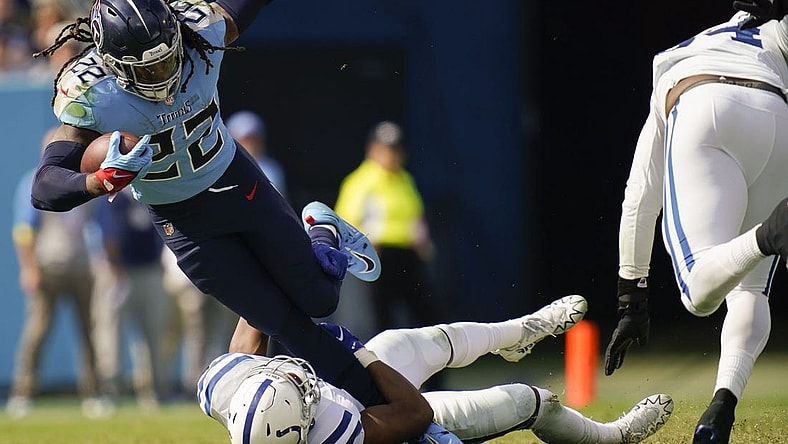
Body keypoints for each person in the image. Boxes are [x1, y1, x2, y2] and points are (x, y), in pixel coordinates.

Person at [29, 0, 393, 429]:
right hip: (184, 223)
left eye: (169, 59)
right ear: (113, 63)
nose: (163, 76)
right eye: (146, 70)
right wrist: (99, 181)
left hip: (240, 185)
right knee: (286, 324)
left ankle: (323, 230)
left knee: (320, 298)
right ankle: (390, 414)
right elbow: (45, 185)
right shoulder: (92, 92)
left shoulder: (200, 30)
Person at [603, 10, 788, 444]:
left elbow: (640, 196)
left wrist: (632, 298)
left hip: (704, 103)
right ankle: (722, 406)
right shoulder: (771, 29)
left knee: (699, 295)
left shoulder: (679, 58)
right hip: (778, 115)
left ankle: (768, 234)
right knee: (750, 290)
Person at [199, 294, 675, 444]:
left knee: (423, 341)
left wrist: (277, 286)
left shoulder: (225, 387)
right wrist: (361, 355)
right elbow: (414, 411)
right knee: (528, 401)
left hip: (352, 389)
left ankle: (520, 331)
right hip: (399, 418)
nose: (296, 377)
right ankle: (611, 437)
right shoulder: (337, 434)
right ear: (306, 426)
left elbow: (251, 324)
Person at [7, 128, 104, 418]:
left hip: (81, 266)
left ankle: (94, 392)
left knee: (89, 333)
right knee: (37, 332)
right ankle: (23, 392)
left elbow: (94, 227)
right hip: (49, 265)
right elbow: (23, 230)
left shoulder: (82, 179)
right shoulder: (32, 182)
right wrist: (29, 268)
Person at [334, 121, 439, 332]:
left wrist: (423, 239)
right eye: (385, 149)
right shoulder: (360, 181)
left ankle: (437, 363)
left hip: (407, 255)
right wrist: (365, 249)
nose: (391, 155)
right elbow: (345, 221)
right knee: (382, 319)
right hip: (377, 257)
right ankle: (382, 364)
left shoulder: (405, 179)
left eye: (396, 149)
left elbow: (414, 214)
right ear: (372, 150)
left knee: (427, 313)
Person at [92, 187, 177, 410]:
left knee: (155, 333)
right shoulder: (111, 196)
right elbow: (105, 233)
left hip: (149, 270)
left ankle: (156, 391)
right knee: (110, 334)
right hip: (116, 272)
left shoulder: (152, 191)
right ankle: (110, 390)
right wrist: (113, 267)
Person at [161, 245, 238, 393]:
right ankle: (192, 383)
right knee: (193, 336)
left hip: (216, 277)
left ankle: (213, 383)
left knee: (214, 335)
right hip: (187, 279)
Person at [226, 110, 287, 198]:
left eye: (254, 139)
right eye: (245, 140)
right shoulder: (221, 169)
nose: (251, 145)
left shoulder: (270, 170)